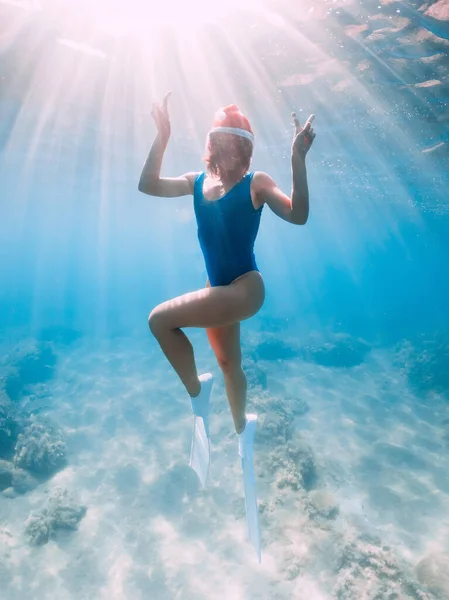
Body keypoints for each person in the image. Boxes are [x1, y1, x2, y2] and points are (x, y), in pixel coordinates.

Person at [138, 93, 315, 559]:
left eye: (237, 140)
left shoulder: (257, 182)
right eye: (220, 138)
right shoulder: (196, 181)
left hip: (244, 289)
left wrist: (297, 159)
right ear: (212, 145)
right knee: (228, 363)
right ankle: (242, 431)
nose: (227, 147)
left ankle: (199, 394)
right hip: (217, 289)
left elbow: (297, 214)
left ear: (247, 149)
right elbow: (147, 185)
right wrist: (162, 136)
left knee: (160, 320)